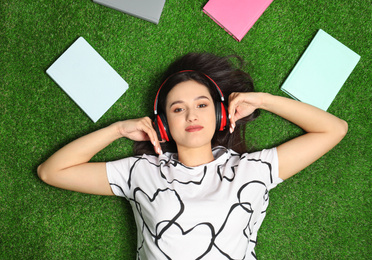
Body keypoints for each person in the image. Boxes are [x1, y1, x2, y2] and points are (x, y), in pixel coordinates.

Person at [38, 53, 348, 259]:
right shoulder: (141, 172)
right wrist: (117, 129)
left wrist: (264, 101)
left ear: (219, 114)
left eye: (201, 105)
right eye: (177, 109)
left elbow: (333, 129)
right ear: (163, 123)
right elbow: (52, 172)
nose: (191, 115)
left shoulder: (253, 170)